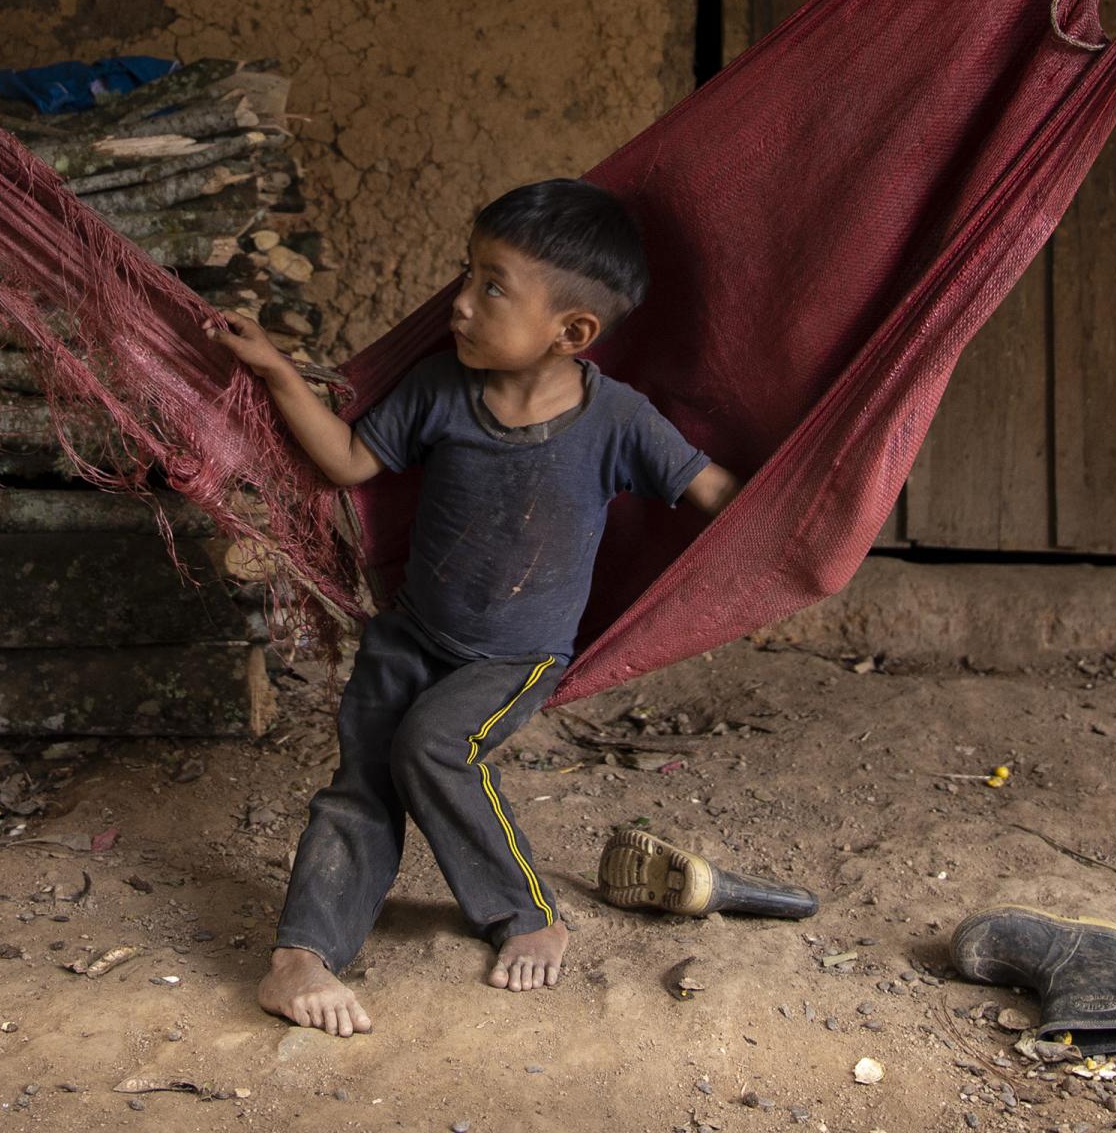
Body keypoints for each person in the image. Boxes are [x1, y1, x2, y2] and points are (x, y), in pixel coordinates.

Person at [211, 179, 742, 1035]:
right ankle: (300, 955)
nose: (457, 304)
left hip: (513, 657)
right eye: (468, 274)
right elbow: (347, 462)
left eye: (491, 286)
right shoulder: (437, 390)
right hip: (412, 633)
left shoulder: (618, 422)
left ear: (571, 332)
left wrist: (817, 515)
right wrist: (274, 370)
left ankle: (526, 913)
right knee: (363, 783)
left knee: (435, 742)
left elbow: (720, 493)